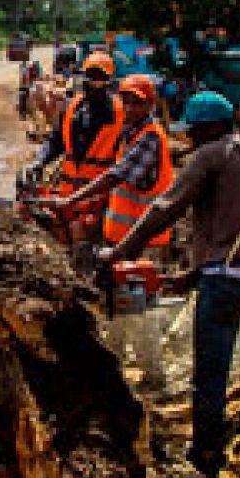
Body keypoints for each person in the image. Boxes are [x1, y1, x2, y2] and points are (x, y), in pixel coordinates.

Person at [100, 91, 240, 478]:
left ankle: (206, 462)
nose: (187, 139)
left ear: (209, 128)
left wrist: (118, 254)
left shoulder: (210, 155)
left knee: (210, 379)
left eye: (191, 132)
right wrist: (192, 276)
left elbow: (162, 209)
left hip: (228, 285)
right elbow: (237, 225)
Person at [51, 74, 174, 389]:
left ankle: (153, 376)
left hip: (141, 242)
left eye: (137, 101)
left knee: (138, 310)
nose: (130, 106)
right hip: (121, 240)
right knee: (119, 304)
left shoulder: (149, 137)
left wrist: (72, 199)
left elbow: (116, 176)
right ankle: (114, 365)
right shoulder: (130, 135)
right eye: (126, 100)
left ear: (149, 104)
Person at [24, 51, 124, 199]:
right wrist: (39, 161)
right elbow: (56, 141)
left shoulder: (119, 115)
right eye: (90, 76)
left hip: (100, 201)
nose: (93, 82)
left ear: (108, 81)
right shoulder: (72, 109)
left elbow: (124, 166)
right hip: (68, 197)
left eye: (99, 78)